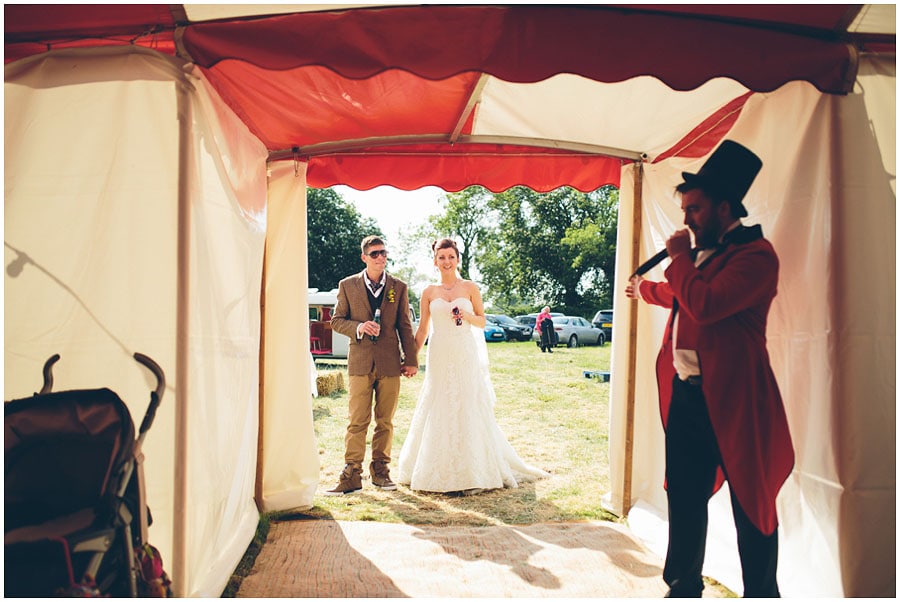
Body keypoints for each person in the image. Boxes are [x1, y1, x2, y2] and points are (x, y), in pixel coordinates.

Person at [625, 140, 794, 597]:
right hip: (688, 395)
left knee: (750, 503)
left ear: (724, 207)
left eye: (694, 209)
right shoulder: (700, 258)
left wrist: (678, 259)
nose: (685, 220)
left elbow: (705, 302)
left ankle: (762, 592)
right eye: (684, 210)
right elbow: (680, 293)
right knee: (683, 498)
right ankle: (682, 587)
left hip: (737, 401)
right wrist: (643, 289)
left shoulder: (757, 256)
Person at [396, 238, 548, 494]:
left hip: (465, 350)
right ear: (435, 261)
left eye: (451, 257)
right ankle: (436, 468)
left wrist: (465, 316)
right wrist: (411, 358)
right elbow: (423, 329)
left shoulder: (469, 288)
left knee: (467, 401)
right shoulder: (429, 292)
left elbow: (482, 321)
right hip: (440, 351)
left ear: (458, 259)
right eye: (441, 257)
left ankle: (473, 470)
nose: (446, 262)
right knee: (440, 401)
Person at [326, 235, 418, 495]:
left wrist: (410, 360)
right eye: (375, 253)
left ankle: (380, 471)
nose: (381, 257)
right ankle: (351, 474)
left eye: (384, 253)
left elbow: (404, 325)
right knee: (357, 420)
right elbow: (336, 321)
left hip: (390, 363)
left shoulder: (398, 286)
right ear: (364, 257)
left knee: (385, 421)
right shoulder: (348, 285)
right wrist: (359, 327)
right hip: (360, 362)